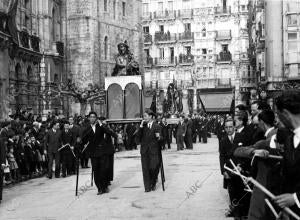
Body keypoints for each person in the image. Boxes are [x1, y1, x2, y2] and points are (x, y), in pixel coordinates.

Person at [273, 90, 300, 217]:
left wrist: (296, 198)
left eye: (278, 115)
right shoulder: (289, 139)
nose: (276, 120)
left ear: (285, 113)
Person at [81, 112, 117, 195]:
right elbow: (84, 140)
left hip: (102, 152)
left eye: (94, 117)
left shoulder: (100, 126)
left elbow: (110, 132)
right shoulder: (86, 128)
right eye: (91, 117)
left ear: (96, 118)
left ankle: (105, 186)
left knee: (103, 170)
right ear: (89, 118)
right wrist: (80, 141)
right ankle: (99, 188)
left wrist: (101, 125)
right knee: (96, 171)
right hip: (93, 153)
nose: (92, 118)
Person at [219, 118, 248, 218]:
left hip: (240, 170)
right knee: (232, 193)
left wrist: (242, 165)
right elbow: (221, 156)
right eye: (226, 127)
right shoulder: (223, 140)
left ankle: (243, 213)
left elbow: (246, 153)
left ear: (234, 127)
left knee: (242, 192)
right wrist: (223, 171)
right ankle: (236, 214)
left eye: (230, 127)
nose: (229, 129)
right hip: (229, 171)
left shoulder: (241, 137)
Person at [136, 109, 162, 192]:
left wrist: (159, 137)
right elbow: (137, 138)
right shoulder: (142, 127)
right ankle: (147, 187)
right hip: (144, 151)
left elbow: (162, 139)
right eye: (143, 116)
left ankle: (153, 182)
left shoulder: (157, 126)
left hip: (154, 151)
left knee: (154, 168)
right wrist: (140, 127)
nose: (144, 118)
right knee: (145, 169)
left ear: (150, 116)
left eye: (145, 116)